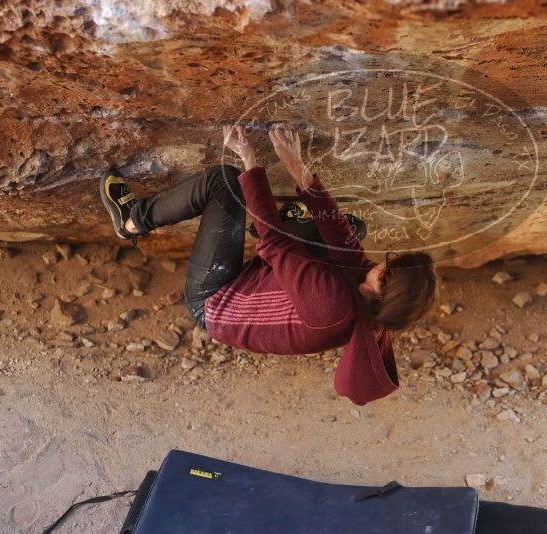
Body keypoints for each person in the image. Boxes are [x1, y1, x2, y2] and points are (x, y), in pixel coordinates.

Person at [100, 122, 437, 405]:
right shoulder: (365, 290)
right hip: (264, 282)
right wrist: (295, 164)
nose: (384, 259)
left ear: (381, 288)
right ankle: (267, 222)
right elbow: (340, 234)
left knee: (224, 182)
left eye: (389, 264)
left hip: (217, 299)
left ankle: (131, 221)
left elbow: (274, 242)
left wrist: (249, 157)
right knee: (352, 227)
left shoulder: (331, 305)